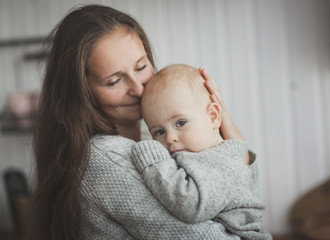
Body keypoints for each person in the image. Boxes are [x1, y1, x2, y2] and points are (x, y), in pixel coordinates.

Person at [29, 4, 254, 240]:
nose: (138, 89)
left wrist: (226, 126)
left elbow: (246, 207)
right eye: (114, 81)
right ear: (82, 92)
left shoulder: (154, 140)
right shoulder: (107, 159)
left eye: (141, 67)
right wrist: (237, 148)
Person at [131, 64, 272, 239]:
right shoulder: (203, 154)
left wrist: (153, 160)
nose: (170, 138)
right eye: (159, 132)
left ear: (213, 117)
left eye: (181, 123)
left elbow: (191, 206)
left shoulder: (222, 163)